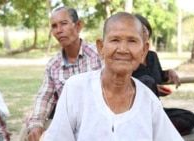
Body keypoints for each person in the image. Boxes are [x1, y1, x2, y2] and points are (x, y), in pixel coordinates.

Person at [44, 12, 184, 141]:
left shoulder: (149, 100)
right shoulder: (76, 89)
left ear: (144, 51)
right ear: (101, 48)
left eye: (132, 41)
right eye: (115, 40)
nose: (123, 49)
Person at [19, 6, 102, 141]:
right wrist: (36, 124)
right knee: (27, 130)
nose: (59, 30)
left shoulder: (98, 55)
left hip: (97, 120)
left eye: (64, 24)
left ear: (78, 25)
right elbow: (45, 97)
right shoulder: (54, 65)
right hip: (67, 123)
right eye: (54, 26)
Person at [132, 14, 194, 136]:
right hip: (134, 112)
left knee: (191, 118)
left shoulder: (152, 56)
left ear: (149, 34)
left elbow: (158, 75)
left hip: (156, 110)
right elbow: (126, 83)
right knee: (147, 81)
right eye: (138, 30)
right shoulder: (128, 55)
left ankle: (154, 129)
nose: (142, 33)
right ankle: (156, 130)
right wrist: (150, 88)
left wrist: (168, 73)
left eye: (144, 30)